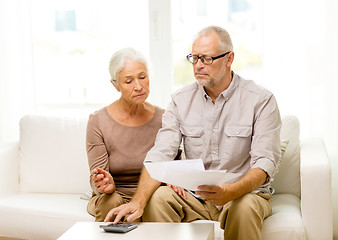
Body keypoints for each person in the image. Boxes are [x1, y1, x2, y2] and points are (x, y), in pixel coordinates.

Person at [105, 26, 281, 240]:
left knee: (244, 208)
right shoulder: (180, 99)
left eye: (206, 59)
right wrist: (137, 201)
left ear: (229, 59)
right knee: (158, 198)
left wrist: (231, 192)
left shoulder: (261, 100)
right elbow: (161, 154)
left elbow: (264, 163)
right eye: (194, 58)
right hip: (194, 198)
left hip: (242, 195)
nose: (198, 66)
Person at [86, 48, 165, 222]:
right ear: (115, 85)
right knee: (111, 201)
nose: (138, 86)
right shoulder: (98, 121)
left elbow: (172, 167)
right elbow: (96, 177)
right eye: (128, 81)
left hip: (151, 193)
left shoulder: (164, 118)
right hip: (114, 194)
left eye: (142, 77)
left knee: (160, 200)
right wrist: (104, 185)